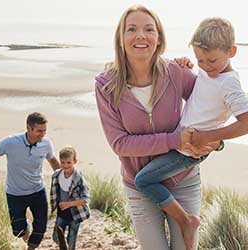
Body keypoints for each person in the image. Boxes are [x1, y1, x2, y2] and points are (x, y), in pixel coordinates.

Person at [95, 5, 221, 250]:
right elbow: (119, 144)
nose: (140, 35)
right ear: (121, 39)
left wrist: (217, 140)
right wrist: (176, 140)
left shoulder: (176, 73)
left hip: (183, 180)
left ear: (159, 38)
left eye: (148, 29)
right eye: (131, 29)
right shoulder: (105, 85)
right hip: (138, 185)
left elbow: (211, 107)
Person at [133, 16, 248, 248]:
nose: (206, 66)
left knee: (143, 180)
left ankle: (186, 221)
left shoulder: (230, 83)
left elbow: (247, 124)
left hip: (191, 149)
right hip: (184, 143)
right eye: (200, 60)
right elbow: (200, 99)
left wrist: (209, 137)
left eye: (212, 60)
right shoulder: (209, 74)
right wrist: (186, 65)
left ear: (232, 51)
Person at [0, 112, 60, 250]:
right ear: (28, 128)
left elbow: (52, 160)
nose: (42, 134)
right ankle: (25, 228)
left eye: (45, 131)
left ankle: (30, 248)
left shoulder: (46, 144)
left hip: (38, 191)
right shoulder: (10, 142)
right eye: (39, 131)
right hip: (15, 194)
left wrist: (64, 179)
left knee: (41, 228)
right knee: (18, 231)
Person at [50, 146, 90, 250]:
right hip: (61, 213)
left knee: (71, 242)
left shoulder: (79, 178)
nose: (65, 165)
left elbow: (85, 199)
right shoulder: (57, 175)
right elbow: (54, 193)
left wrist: (68, 204)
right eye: (62, 162)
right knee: (56, 237)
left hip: (75, 215)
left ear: (75, 161)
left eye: (69, 162)